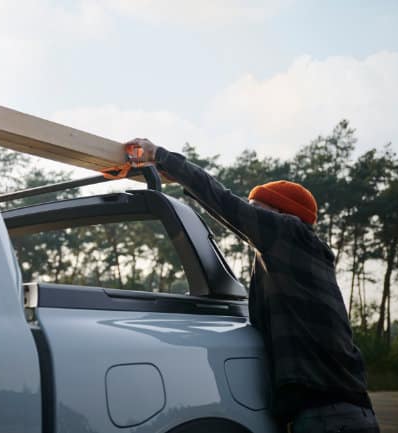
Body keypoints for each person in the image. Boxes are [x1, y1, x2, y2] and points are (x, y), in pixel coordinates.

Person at [125, 138, 379, 433]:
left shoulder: (292, 233)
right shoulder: (290, 264)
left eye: (257, 208)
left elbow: (226, 204)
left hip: (330, 416)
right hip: (334, 413)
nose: (250, 214)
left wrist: (163, 157)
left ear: (283, 215)